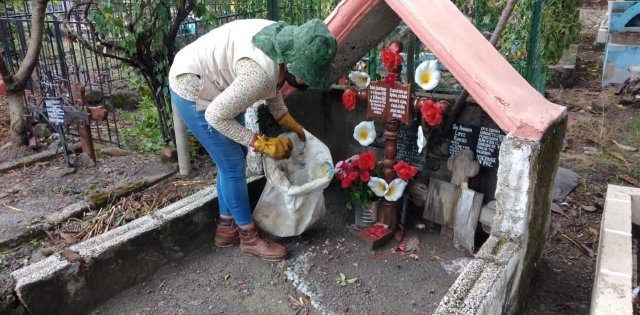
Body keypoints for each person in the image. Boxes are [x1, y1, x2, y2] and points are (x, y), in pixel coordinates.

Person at [168, 18, 338, 262]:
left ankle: (227, 228)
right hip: (193, 85)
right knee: (233, 164)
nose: (309, 82)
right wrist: (263, 143)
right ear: (293, 64)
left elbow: (273, 84)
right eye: (308, 76)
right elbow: (216, 115)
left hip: (218, 81)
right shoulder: (259, 73)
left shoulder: (283, 39)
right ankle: (249, 238)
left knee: (231, 155)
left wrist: (287, 120)